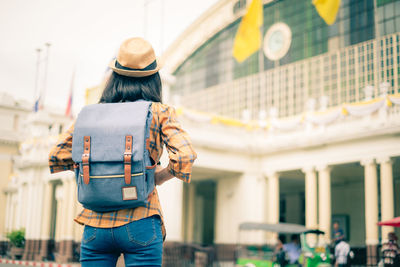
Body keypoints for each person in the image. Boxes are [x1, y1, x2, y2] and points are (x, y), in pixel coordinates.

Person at [48, 37, 197, 267]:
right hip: (141, 219)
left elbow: (58, 155)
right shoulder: (158, 111)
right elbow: (185, 155)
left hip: (95, 224)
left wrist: (94, 170)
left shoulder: (90, 115)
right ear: (154, 79)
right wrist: (157, 177)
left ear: (114, 77)